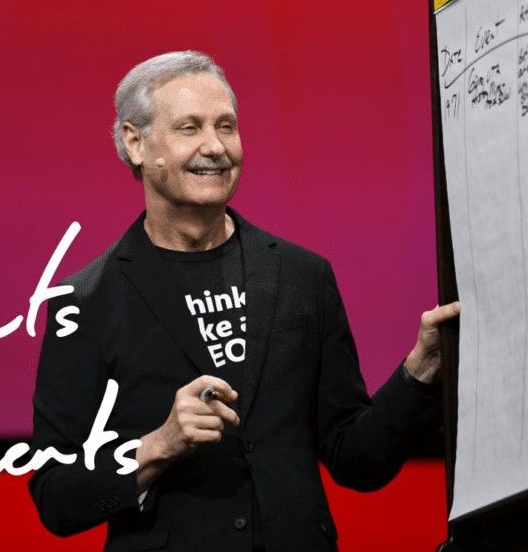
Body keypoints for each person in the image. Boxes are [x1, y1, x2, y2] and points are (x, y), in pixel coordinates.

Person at [29, 51, 459, 551]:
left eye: (226, 126)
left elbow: (355, 459)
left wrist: (419, 373)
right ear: (135, 142)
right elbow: (55, 498)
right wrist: (158, 446)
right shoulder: (83, 303)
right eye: (190, 128)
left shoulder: (303, 276)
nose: (215, 147)